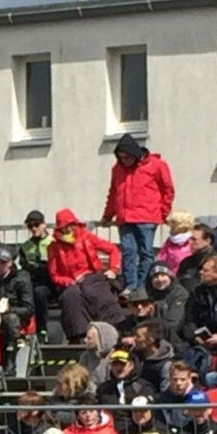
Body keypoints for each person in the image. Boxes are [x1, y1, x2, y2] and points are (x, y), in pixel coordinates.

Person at [100, 133, 175, 289]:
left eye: (127, 157)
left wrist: (163, 213)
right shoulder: (117, 169)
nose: (124, 161)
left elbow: (168, 190)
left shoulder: (157, 165)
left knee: (146, 252)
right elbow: (114, 193)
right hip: (125, 218)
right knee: (128, 252)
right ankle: (131, 286)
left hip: (147, 217)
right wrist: (108, 215)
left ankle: (143, 286)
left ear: (135, 154)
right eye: (121, 158)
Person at [47, 209, 123, 341]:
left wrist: (113, 269)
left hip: (91, 276)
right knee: (71, 296)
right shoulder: (54, 247)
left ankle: (113, 327)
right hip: (70, 282)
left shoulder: (86, 237)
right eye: (64, 226)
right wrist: (70, 281)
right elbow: (55, 275)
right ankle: (79, 336)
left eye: (70, 225)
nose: (68, 229)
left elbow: (113, 250)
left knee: (93, 290)